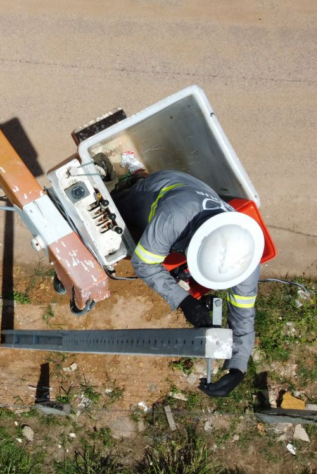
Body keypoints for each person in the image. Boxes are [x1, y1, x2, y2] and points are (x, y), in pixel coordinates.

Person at [112, 170, 265, 397]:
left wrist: (238, 367)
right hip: (160, 191)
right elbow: (143, 264)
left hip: (193, 195)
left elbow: (244, 314)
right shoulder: (176, 215)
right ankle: (129, 185)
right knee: (120, 217)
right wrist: (184, 301)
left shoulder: (245, 258)